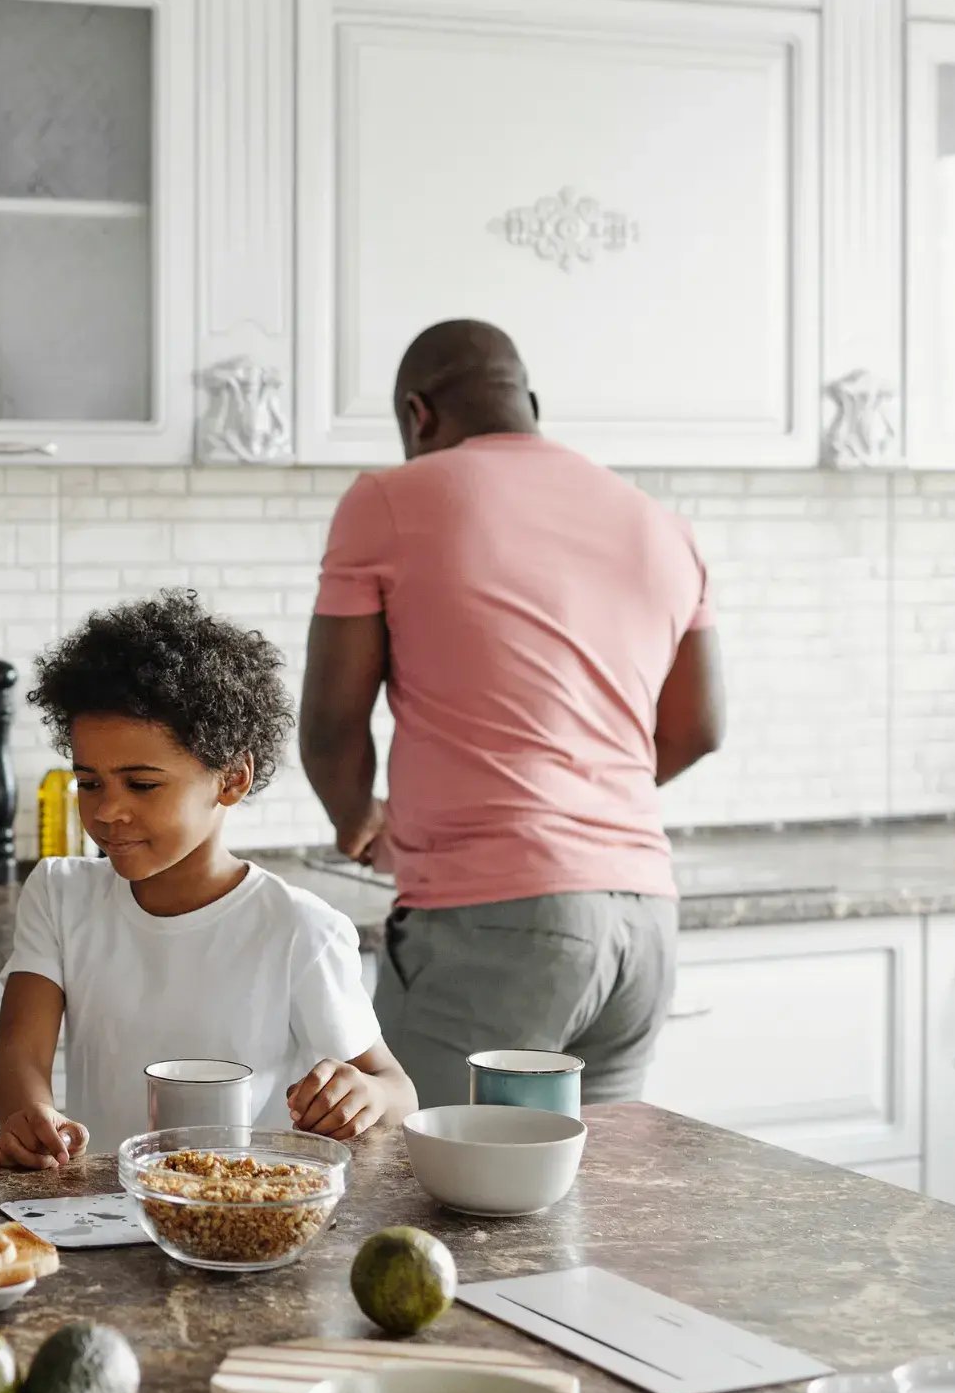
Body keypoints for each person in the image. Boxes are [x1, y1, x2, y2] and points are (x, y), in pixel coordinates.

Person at [300, 319, 724, 1110]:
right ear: (528, 400)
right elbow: (700, 727)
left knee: (419, 1189)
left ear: (418, 415)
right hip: (644, 924)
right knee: (588, 1196)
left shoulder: (389, 500)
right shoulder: (660, 524)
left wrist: (356, 820)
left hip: (493, 919)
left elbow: (330, 722)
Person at [0, 592, 415, 1168]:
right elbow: (19, 1052)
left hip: (244, 1214)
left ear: (232, 780)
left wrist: (365, 1095)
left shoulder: (298, 928)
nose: (108, 811)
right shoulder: (60, 894)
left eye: (141, 784)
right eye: (89, 783)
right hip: (104, 1209)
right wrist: (30, 1114)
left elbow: (395, 1088)